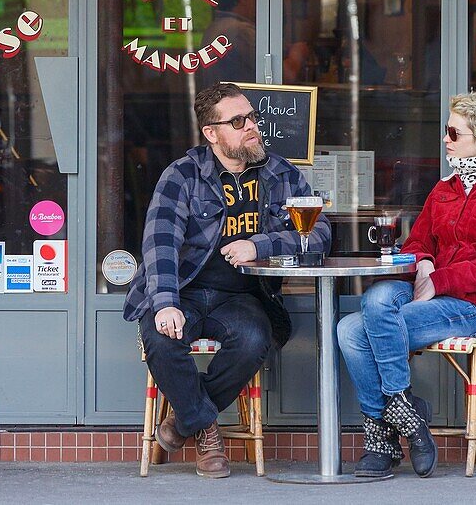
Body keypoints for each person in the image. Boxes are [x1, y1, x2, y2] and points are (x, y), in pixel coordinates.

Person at [124, 80, 331, 478]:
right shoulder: (183, 175)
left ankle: (184, 422)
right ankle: (204, 428)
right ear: (211, 133)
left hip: (241, 296)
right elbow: (159, 242)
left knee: (255, 340)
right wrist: (165, 301)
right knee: (162, 340)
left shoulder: (281, 173)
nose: (252, 125)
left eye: (252, 116)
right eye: (238, 121)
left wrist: (263, 244)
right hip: (183, 290)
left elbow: (319, 234)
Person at [337, 91, 476, 480]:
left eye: (454, 132)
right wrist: (426, 264)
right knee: (376, 299)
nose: (445, 139)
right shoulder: (445, 188)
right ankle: (406, 412)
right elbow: (418, 244)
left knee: (351, 329)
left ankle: (382, 437)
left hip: (472, 305)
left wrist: (440, 280)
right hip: (426, 287)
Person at [199, 0, 308, 85]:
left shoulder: (214, 27)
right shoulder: (240, 31)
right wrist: (297, 53)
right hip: (240, 102)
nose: (263, 2)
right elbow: (285, 77)